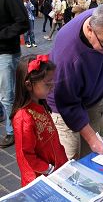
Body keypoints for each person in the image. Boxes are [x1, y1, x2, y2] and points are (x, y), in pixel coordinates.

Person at [47, 4, 103, 159]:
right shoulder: (68, 53)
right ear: (90, 30)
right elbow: (67, 102)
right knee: (69, 158)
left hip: (93, 101)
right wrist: (91, 137)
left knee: (93, 154)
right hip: (64, 106)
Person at [11, 54, 68, 187]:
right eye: (47, 84)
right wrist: (48, 169)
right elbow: (26, 155)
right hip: (41, 177)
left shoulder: (40, 104)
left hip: (55, 168)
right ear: (29, 85)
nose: (52, 87)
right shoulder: (23, 118)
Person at [0, 0, 29, 148]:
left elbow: (23, 23)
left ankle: (13, 132)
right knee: (4, 94)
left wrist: (2, 34)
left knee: (8, 95)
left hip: (6, 54)